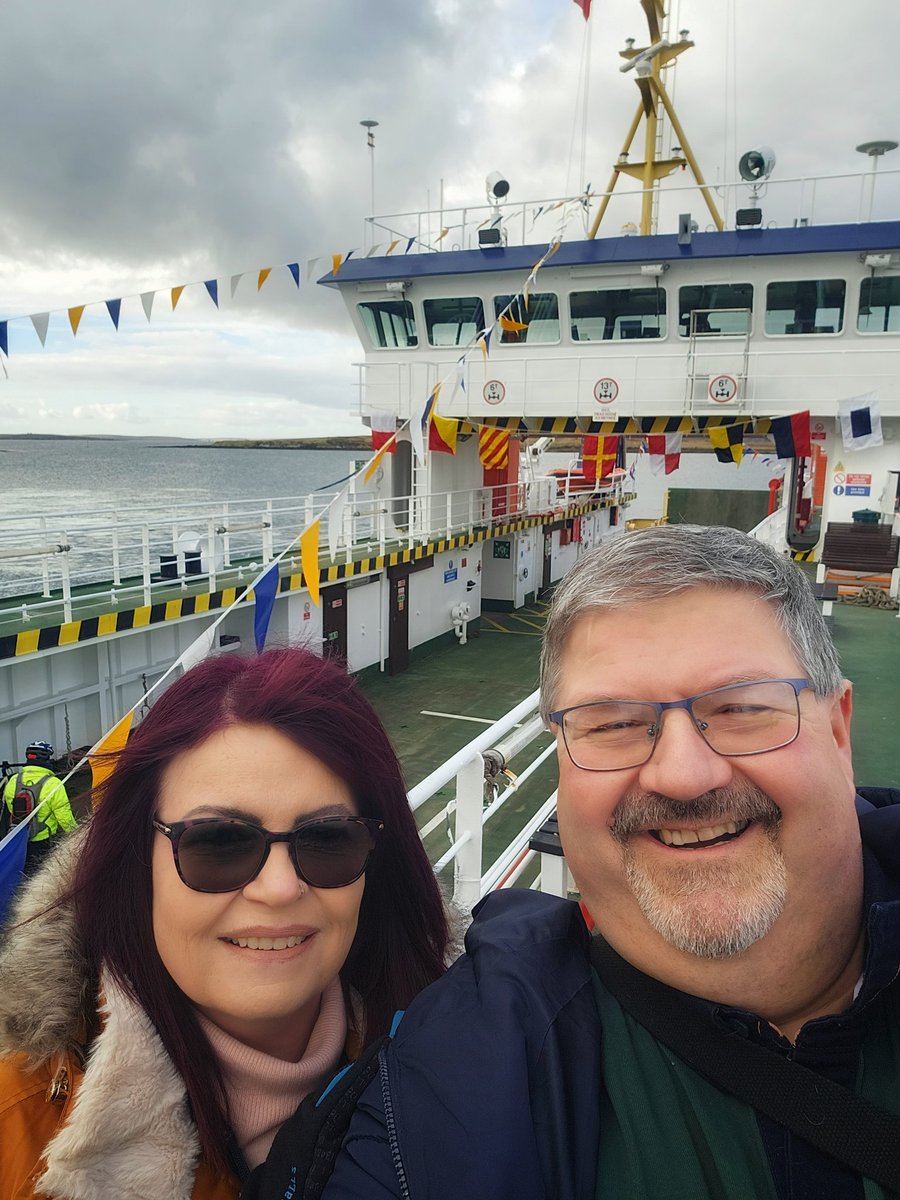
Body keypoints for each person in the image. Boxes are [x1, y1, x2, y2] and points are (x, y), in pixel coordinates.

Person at [307, 524, 900, 1200]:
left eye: (739, 707)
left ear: (840, 728)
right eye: (612, 723)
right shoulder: (468, 1070)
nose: (681, 775)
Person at [0, 646, 449, 1200]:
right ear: (139, 866)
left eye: (329, 839)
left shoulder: (467, 1060)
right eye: (218, 842)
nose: (280, 889)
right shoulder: (16, 1126)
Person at [2, 740, 77, 874]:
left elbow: (10, 807)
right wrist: (76, 836)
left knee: (21, 873)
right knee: (39, 875)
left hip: (18, 839)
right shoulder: (53, 784)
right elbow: (64, 817)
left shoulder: (14, 780)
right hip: (42, 840)